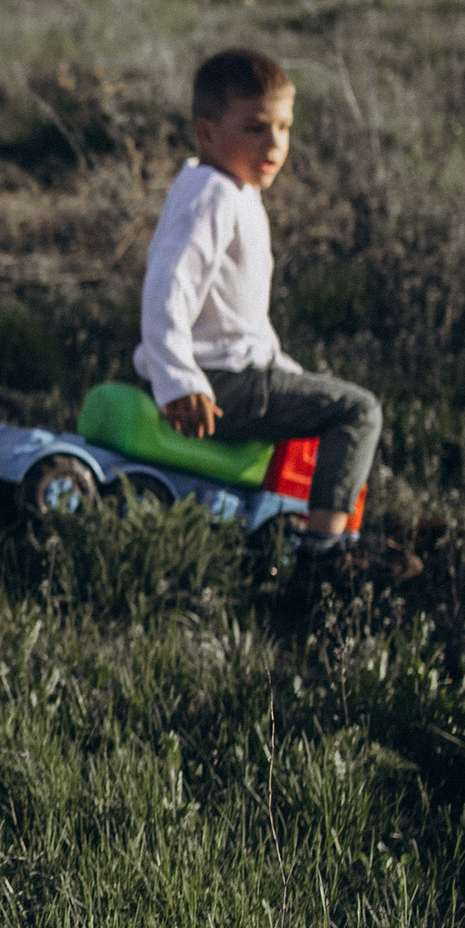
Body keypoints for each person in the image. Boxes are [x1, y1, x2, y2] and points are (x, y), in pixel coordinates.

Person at [134, 46, 382, 585]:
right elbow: (169, 287)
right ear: (207, 132)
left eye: (284, 127)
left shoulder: (229, 188)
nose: (274, 144)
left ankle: (299, 523)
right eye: (254, 128)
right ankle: (323, 554)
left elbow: (235, 316)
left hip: (229, 370)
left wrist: (280, 367)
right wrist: (179, 380)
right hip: (219, 383)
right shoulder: (214, 195)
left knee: (320, 396)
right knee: (357, 412)